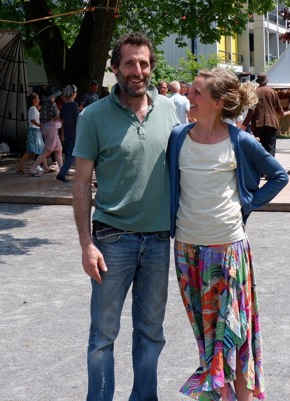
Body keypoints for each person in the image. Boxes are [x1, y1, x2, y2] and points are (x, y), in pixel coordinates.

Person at [167, 68, 288, 401]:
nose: (188, 97)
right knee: (207, 338)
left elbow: (278, 177)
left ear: (218, 103)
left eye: (196, 92)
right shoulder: (178, 137)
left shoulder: (240, 140)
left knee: (234, 334)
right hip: (187, 250)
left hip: (227, 249)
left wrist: (246, 205)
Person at [72, 32, 179, 401]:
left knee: (152, 333)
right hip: (111, 240)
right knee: (103, 336)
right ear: (115, 67)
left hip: (158, 240)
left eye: (144, 63)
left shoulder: (170, 110)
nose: (138, 70)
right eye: (130, 63)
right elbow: (82, 183)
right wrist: (86, 244)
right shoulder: (93, 116)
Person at [244, 72, 284, 156]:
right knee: (271, 148)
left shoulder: (255, 93)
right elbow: (279, 109)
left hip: (258, 124)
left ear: (258, 82)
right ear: (266, 81)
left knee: (260, 148)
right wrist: (282, 114)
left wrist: (244, 124)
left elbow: (251, 111)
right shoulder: (273, 92)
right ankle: (271, 166)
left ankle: (262, 167)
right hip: (271, 123)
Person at [15, 92, 47, 175]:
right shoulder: (33, 109)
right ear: (34, 100)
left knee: (40, 150)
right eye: (38, 98)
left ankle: (45, 167)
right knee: (31, 151)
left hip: (36, 131)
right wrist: (40, 125)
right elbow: (33, 120)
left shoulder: (34, 109)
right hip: (34, 131)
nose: (39, 100)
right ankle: (20, 166)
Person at [31, 88, 62, 175]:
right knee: (48, 150)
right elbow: (57, 116)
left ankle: (62, 169)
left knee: (58, 149)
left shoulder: (44, 105)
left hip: (46, 128)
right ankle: (33, 167)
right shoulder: (52, 104)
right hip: (52, 128)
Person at [56, 85, 79, 183]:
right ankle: (62, 173)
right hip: (74, 132)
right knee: (72, 154)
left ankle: (66, 171)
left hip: (66, 132)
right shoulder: (74, 105)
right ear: (73, 93)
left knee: (69, 153)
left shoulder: (64, 105)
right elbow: (78, 119)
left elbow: (61, 117)